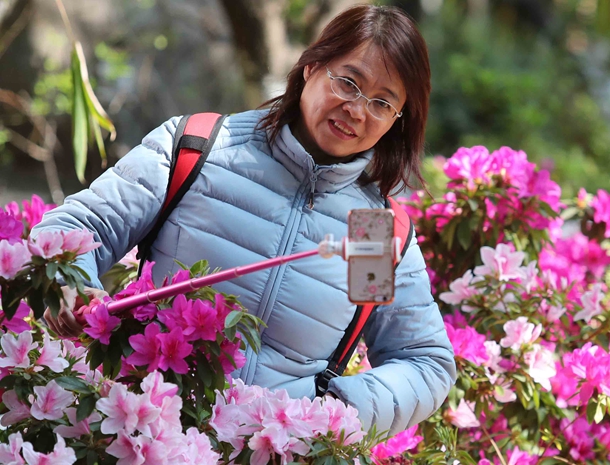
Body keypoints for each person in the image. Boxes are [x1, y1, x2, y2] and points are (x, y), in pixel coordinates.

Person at [32, 5, 456, 438]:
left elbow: (424, 362)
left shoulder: (371, 231)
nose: (357, 109)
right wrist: (71, 283)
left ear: (397, 122)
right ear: (311, 66)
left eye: (383, 103)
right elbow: (81, 226)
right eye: (348, 82)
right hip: (144, 436)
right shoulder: (201, 150)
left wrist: (338, 411)